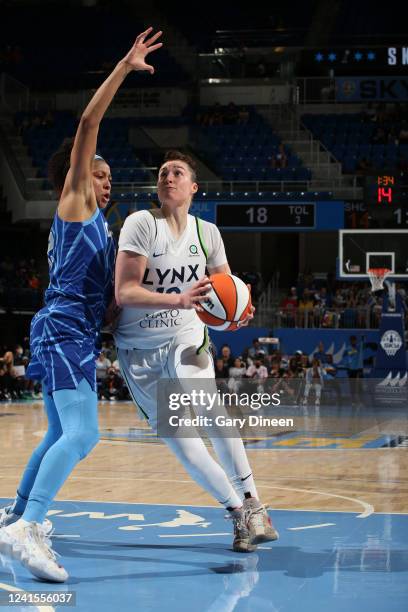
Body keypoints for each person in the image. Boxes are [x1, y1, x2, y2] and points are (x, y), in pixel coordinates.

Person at [0, 28, 163, 583]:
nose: (107, 181)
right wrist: (124, 65)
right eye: (100, 172)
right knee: (85, 435)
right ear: (76, 175)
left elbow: (112, 299)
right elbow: (88, 124)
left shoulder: (101, 231)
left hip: (67, 329)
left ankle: (18, 514)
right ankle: (30, 528)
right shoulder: (73, 202)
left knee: (56, 434)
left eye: (111, 178)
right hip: (63, 327)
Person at [114, 150, 278, 554]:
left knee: (210, 407)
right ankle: (236, 510)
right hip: (141, 348)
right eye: (163, 172)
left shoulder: (208, 233)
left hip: (187, 334)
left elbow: (226, 288)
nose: (169, 177)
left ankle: (254, 503)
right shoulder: (141, 224)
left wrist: (240, 310)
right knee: (183, 441)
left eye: (178, 172)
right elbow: (125, 292)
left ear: (193, 187)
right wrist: (181, 300)